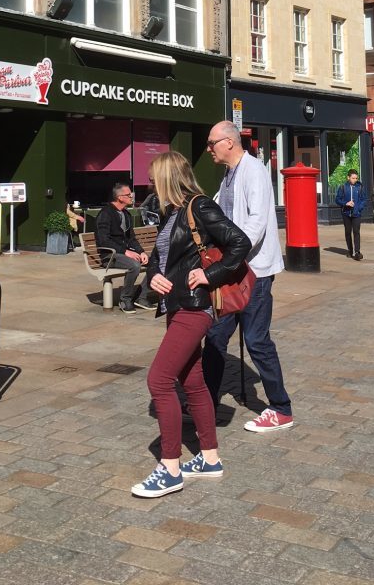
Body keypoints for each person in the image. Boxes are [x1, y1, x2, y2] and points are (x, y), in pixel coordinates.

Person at [132, 151, 250, 498]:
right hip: (176, 305)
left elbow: (239, 242)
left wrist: (209, 273)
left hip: (195, 308)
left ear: (168, 176)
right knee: (192, 381)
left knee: (159, 381)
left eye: (154, 177)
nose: (149, 182)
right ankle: (209, 458)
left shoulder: (199, 207)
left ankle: (170, 468)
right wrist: (153, 276)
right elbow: (158, 258)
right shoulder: (171, 213)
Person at [202, 121, 293, 435]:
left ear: (228, 142)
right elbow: (215, 215)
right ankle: (206, 404)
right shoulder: (229, 175)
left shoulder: (253, 171)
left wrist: (231, 257)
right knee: (214, 337)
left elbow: (255, 224)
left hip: (254, 273)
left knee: (256, 340)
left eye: (212, 142)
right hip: (231, 272)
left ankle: (281, 408)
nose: (208, 148)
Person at [95, 183, 153, 312]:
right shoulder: (105, 214)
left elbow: (131, 238)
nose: (131, 196)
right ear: (120, 197)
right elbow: (103, 241)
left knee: (154, 263)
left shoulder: (126, 214)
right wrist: (125, 252)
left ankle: (141, 297)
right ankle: (125, 299)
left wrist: (141, 251)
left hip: (123, 253)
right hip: (109, 256)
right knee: (135, 266)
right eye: (128, 195)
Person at [335, 169, 367, 260]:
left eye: (356, 178)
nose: (355, 180)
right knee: (348, 232)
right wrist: (346, 203)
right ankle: (350, 250)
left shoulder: (360, 187)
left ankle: (357, 252)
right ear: (348, 177)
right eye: (353, 178)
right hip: (346, 213)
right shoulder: (343, 187)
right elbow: (337, 199)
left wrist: (359, 208)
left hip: (357, 213)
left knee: (356, 232)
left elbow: (364, 199)